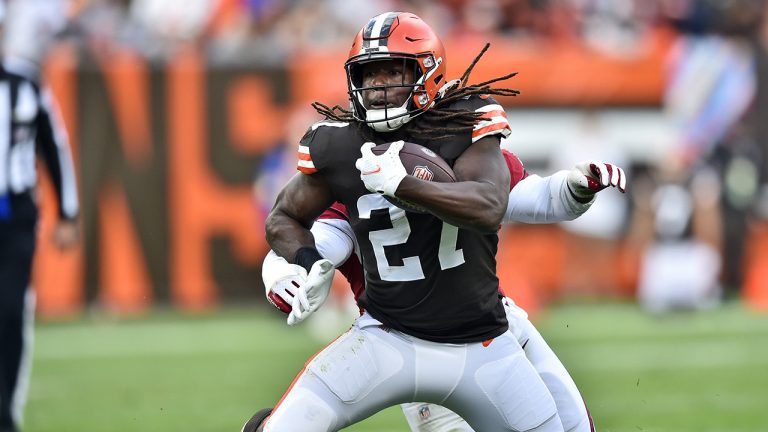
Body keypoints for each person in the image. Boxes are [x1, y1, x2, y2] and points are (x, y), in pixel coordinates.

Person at [254, 11, 624, 432]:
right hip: (387, 335)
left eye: (393, 71)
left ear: (427, 72)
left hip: (482, 340)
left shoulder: (463, 131)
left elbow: (497, 205)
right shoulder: (341, 147)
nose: (379, 86)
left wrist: (405, 185)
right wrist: (297, 264)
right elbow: (298, 223)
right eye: (369, 74)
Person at [253, 147, 624, 432]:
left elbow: (539, 196)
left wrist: (576, 187)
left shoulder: (473, 154)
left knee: (574, 423)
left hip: (486, 328)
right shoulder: (354, 173)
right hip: (397, 336)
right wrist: (291, 271)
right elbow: (317, 242)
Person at [0, 14, 79, 432]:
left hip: (14, 215)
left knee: (11, 312)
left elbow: (55, 148)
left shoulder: (26, 82)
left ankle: (6, 415)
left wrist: (67, 212)